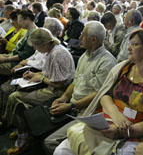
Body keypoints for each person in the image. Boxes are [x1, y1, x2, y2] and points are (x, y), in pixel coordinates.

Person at [54, 29, 143, 155]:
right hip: (106, 122)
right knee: (60, 151)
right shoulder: (123, 68)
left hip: (134, 134)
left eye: (135, 44)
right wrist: (115, 113)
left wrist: (125, 131)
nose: (129, 48)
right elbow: (105, 95)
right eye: (130, 44)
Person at [43, 21, 117, 153]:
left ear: (93, 39)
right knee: (39, 121)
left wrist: (72, 106)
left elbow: (98, 95)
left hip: (87, 111)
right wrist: (63, 97)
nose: (80, 38)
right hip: (74, 105)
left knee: (50, 142)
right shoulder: (85, 55)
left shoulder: (106, 62)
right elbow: (76, 82)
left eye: (83, 35)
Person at [4, 28, 75, 154]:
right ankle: (24, 129)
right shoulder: (52, 51)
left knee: (15, 98)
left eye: (36, 46)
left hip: (58, 92)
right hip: (52, 86)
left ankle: (23, 137)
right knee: (16, 92)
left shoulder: (57, 54)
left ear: (43, 44)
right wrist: (35, 74)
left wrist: (40, 77)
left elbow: (59, 84)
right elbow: (49, 73)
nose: (36, 50)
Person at [0, 10, 36, 77]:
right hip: (14, 58)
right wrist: (5, 56)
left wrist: (5, 59)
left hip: (17, 63)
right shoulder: (28, 32)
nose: (19, 23)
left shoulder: (33, 34)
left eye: (20, 21)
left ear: (27, 19)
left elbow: (24, 55)